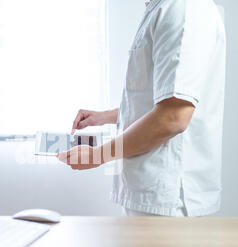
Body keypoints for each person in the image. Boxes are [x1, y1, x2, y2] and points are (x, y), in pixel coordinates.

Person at [57, 0, 226, 217]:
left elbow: (172, 117)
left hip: (168, 198)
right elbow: (161, 102)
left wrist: (97, 155)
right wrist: (103, 117)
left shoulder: (181, 7)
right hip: (153, 193)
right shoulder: (162, 8)